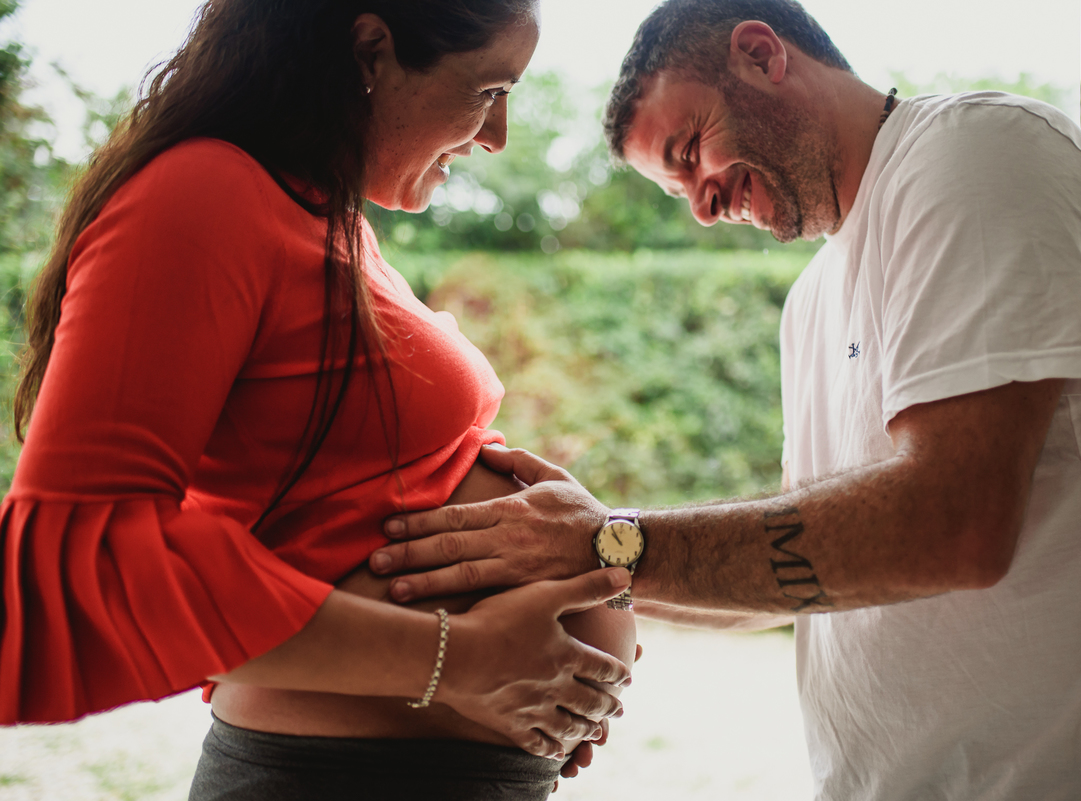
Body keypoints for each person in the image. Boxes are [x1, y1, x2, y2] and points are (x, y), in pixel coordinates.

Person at [367, 0, 1081, 798]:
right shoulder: (813, 300)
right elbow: (810, 565)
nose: (702, 205)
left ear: (762, 55)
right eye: (675, 190)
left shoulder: (980, 153)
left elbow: (954, 523)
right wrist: (572, 576)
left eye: (691, 149)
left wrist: (608, 545)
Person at [0, 1, 636, 799]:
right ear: (370, 52)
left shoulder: (332, 221)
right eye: (489, 90)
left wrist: (569, 637)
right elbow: (90, 551)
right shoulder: (204, 191)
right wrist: (464, 660)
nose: (497, 135)